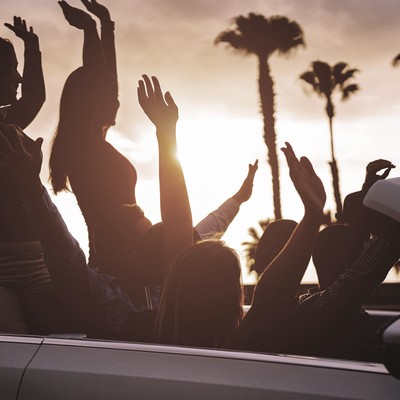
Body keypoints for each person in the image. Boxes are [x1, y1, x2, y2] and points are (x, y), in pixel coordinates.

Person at [154, 142, 327, 348]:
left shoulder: (146, 333)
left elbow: (177, 225)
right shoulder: (232, 348)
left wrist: (165, 131)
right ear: (229, 300)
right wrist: (312, 215)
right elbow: (271, 295)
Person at [0, 16, 68, 335]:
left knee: (59, 341)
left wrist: (32, 48)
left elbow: (34, 97)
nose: (17, 77)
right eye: (10, 68)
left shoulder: (9, 120)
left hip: (36, 260)